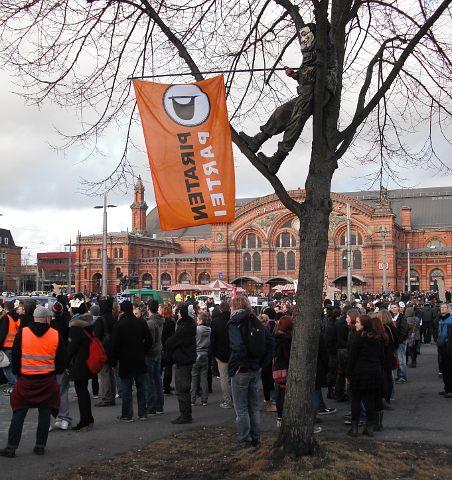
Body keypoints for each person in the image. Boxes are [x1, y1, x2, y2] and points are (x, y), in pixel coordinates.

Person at [239, 22, 337, 174]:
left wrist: (301, 75)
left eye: (306, 35)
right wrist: (295, 75)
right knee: (282, 112)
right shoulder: (311, 50)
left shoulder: (324, 47)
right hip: (309, 90)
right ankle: (257, 140)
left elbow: (315, 73)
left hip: (319, 91)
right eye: (301, 36)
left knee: (296, 120)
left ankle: (277, 160)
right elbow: (309, 73)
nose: (303, 39)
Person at [0, 306, 65, 458]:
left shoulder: (23, 333)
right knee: (44, 414)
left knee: (18, 413)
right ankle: (40, 446)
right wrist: (55, 372)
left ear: (35, 318)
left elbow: (16, 357)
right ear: (47, 318)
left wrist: (18, 374)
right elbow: (62, 360)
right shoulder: (55, 335)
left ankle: (11, 447)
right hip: (47, 380)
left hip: (26, 380)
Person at [228, 296, 274, 449]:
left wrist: (241, 364)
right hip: (255, 369)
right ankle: (255, 437)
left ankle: (244, 439)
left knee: (241, 407)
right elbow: (270, 343)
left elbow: (237, 345)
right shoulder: (256, 320)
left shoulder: (235, 322)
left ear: (234, 307)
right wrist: (262, 364)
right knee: (253, 406)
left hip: (241, 369)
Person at [110, 300, 152, 421]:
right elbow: (149, 340)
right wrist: (143, 350)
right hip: (139, 358)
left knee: (126, 388)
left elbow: (114, 346)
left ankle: (127, 414)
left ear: (122, 310)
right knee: (141, 387)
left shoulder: (119, 325)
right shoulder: (141, 323)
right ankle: (142, 412)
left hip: (125, 360)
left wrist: (113, 360)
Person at [346, 314, 384, 437]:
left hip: (359, 373)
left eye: (357, 322)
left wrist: (348, 374)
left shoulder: (357, 337)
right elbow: (381, 356)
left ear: (363, 324)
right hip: (374, 372)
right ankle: (369, 427)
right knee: (370, 400)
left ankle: (355, 427)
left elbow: (352, 357)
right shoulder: (377, 337)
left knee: (356, 400)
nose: (355, 324)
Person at [165, 302, 197, 424]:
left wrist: (169, 341)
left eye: (179, 312)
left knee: (182, 388)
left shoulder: (184, 328)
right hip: (187, 359)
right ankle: (186, 413)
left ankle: (185, 415)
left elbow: (170, 343)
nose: (177, 314)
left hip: (183, 360)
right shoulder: (189, 325)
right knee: (184, 388)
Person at [66, 300, 95, 431]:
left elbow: (71, 348)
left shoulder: (75, 327)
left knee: (81, 391)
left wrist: (64, 362)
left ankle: (84, 421)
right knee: (84, 390)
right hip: (87, 360)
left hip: (79, 362)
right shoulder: (88, 323)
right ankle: (88, 418)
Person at [93, 298, 116, 407]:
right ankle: (112, 396)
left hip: (104, 349)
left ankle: (106, 397)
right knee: (111, 373)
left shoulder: (100, 319)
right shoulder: (113, 318)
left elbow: (96, 337)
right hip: (112, 348)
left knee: (104, 373)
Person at [210, 301, 233, 409]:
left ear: (220, 310)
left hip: (221, 354)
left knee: (224, 378)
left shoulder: (215, 322)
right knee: (234, 377)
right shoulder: (233, 320)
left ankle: (227, 400)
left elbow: (213, 340)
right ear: (229, 309)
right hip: (233, 352)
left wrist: (213, 353)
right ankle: (235, 399)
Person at [144, 299, 165, 415]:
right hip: (158, 351)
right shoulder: (161, 320)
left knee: (150, 381)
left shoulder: (150, 323)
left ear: (148, 308)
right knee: (157, 380)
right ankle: (159, 406)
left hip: (151, 353)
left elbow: (149, 341)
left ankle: (151, 407)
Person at [190, 311, 211, 406]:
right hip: (205, 353)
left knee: (194, 378)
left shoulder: (197, 329)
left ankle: (192, 399)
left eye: (197, 320)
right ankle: (204, 399)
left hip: (196, 353)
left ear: (201, 320)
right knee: (204, 378)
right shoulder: (209, 329)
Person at [0, 300, 20, 395]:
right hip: (14, 346)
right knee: (11, 367)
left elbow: (2, 333)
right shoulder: (16, 318)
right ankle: (13, 386)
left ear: (5, 308)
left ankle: (14, 386)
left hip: (6, 346)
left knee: (6, 368)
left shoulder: (6, 318)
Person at [390, 303, 408, 383]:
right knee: (397, 359)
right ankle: (399, 375)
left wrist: (400, 340)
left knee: (401, 359)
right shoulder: (391, 317)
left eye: (395, 307)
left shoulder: (402, 318)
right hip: (394, 341)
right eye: (392, 307)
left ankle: (402, 376)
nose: (393, 309)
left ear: (398, 308)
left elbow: (404, 330)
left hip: (400, 341)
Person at [437, 303, 452, 398]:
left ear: (448, 309)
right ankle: (447, 389)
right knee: (444, 369)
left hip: (448, 348)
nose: (443, 309)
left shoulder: (450, 320)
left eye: (445, 308)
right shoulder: (440, 319)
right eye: (441, 308)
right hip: (441, 347)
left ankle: (450, 390)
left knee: (449, 369)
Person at [161, 305, 176, 395]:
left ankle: (159, 386)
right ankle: (166, 387)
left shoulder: (161, 322)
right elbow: (172, 336)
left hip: (161, 347)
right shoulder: (171, 322)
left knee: (159, 369)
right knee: (168, 369)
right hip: (168, 348)